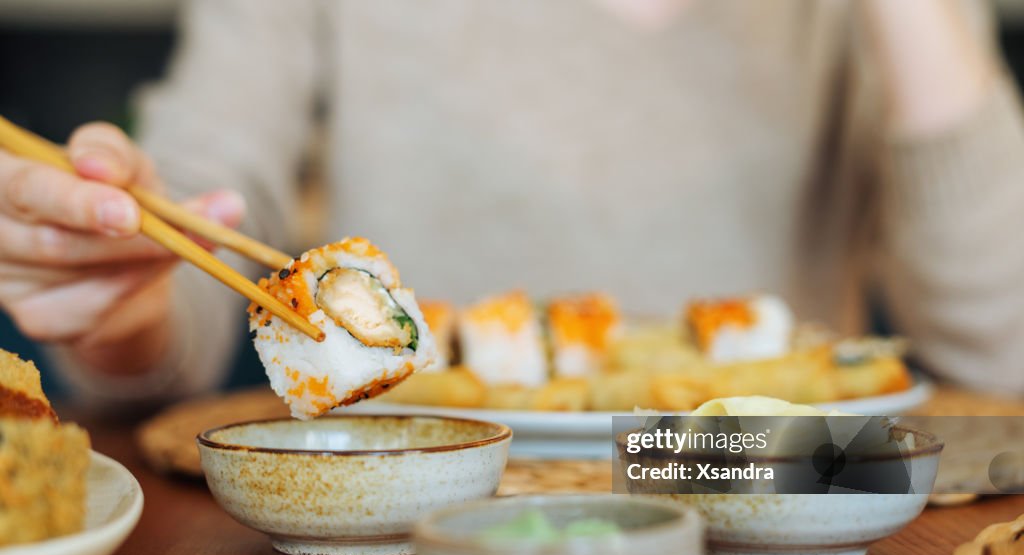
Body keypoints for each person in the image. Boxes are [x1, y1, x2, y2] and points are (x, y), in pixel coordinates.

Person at [1, 0, 1023, 405]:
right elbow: (197, 209)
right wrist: (123, 305)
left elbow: (1006, 358)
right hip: (395, 545)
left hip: (783, 525)